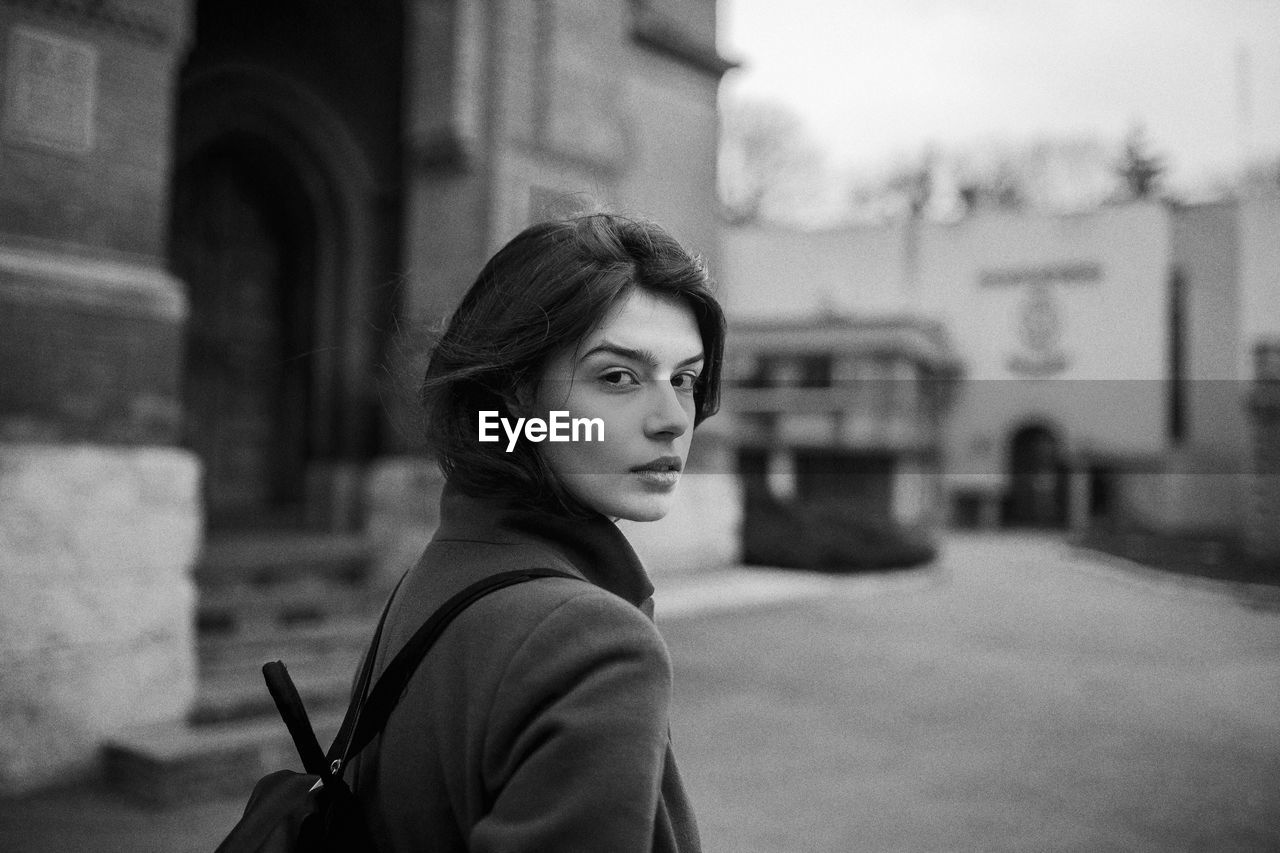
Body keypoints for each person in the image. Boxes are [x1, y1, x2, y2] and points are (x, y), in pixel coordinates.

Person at [351, 213, 726, 852]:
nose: (671, 421)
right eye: (617, 377)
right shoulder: (594, 645)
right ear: (516, 397)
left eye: (684, 380)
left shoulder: (437, 578)